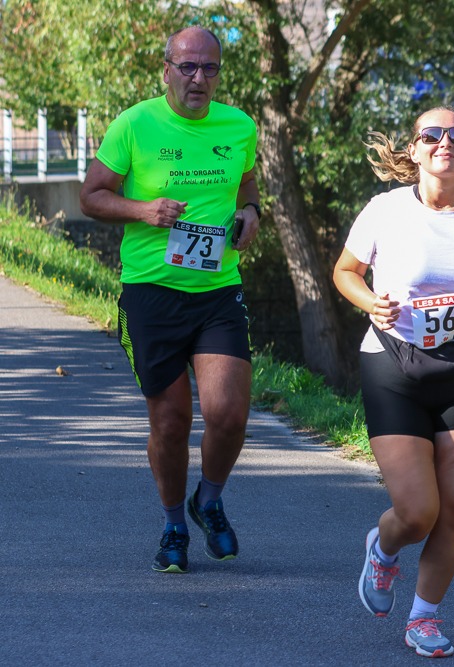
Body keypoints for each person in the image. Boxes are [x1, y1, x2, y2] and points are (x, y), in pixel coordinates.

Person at [333, 107, 454, 658]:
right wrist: (370, 300)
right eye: (432, 135)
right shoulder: (385, 210)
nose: (446, 142)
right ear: (415, 151)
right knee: (418, 511)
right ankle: (384, 547)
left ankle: (424, 616)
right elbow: (344, 273)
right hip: (393, 364)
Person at [79, 26, 260, 574]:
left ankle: (207, 500)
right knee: (172, 419)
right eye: (187, 67)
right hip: (151, 293)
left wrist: (251, 214)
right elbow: (90, 196)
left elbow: (246, 186)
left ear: (220, 73)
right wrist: (143, 210)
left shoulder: (240, 126)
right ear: (166, 70)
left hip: (217, 291)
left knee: (228, 414)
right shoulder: (135, 124)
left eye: (209, 68)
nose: (198, 78)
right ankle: (172, 525)